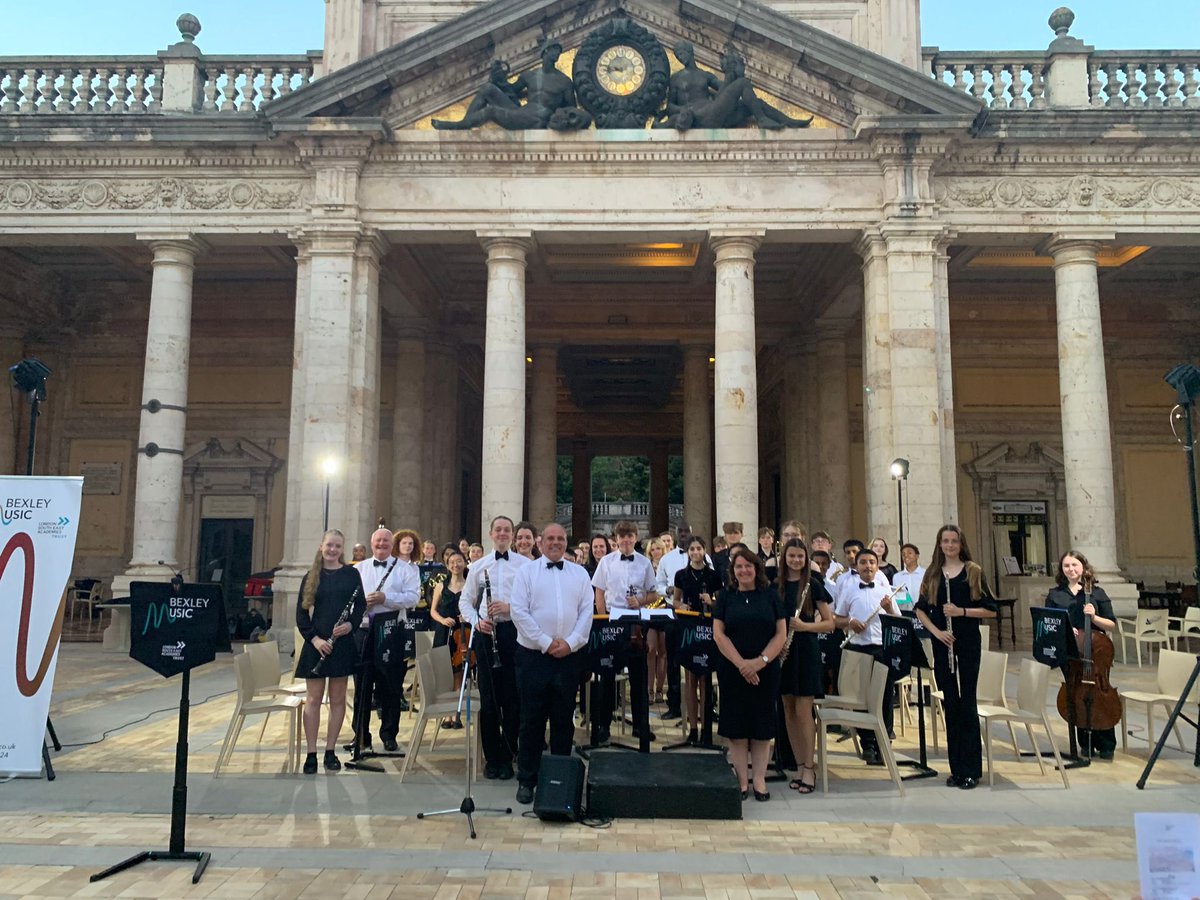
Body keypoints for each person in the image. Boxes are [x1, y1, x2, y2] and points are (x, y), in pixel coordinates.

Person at [509, 523, 594, 805]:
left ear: (565, 542)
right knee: (531, 721)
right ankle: (527, 780)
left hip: (568, 658)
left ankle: (559, 782)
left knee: (563, 720)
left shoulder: (580, 574)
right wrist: (546, 642)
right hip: (533, 657)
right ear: (540, 543)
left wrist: (570, 643)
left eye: (560, 539)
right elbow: (519, 612)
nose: (556, 543)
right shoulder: (526, 572)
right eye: (551, 539)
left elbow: (586, 612)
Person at [914, 525, 997, 789]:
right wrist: (937, 632)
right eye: (945, 541)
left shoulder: (973, 571)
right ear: (939, 545)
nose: (949, 545)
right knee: (951, 705)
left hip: (968, 643)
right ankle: (956, 769)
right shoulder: (933, 574)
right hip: (943, 644)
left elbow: (990, 610)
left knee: (967, 705)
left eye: (954, 541)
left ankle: (972, 769)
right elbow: (920, 610)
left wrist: (961, 611)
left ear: (961, 544)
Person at [458, 515, 532, 780]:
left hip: (514, 633)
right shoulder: (479, 566)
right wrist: (477, 621)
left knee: (513, 698)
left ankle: (508, 753)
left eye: (507, 530)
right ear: (491, 534)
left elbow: (533, 602)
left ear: (512, 535)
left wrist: (509, 608)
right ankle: (491, 758)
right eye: (498, 529)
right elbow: (465, 602)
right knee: (488, 700)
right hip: (486, 633)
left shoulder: (526, 565)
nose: (503, 533)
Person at [713, 547, 787, 800]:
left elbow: (781, 633)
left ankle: (759, 780)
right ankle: (742, 780)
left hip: (765, 670)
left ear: (757, 569)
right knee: (737, 727)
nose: (743, 571)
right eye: (738, 567)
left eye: (748, 566)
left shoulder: (771, 596)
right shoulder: (725, 596)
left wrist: (760, 662)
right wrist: (741, 664)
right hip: (732, 670)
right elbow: (718, 634)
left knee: (761, 726)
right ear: (733, 572)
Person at [294, 529, 364, 774]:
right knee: (313, 700)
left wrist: (351, 625)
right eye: (329, 545)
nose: (332, 550)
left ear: (342, 549)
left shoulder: (351, 574)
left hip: (341, 644)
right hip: (317, 643)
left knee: (337, 700)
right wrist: (314, 640)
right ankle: (311, 753)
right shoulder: (310, 576)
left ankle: (330, 751)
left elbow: (360, 606)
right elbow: (301, 615)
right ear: (321, 547)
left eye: (337, 546)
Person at [1045, 549, 1118, 759]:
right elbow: (1050, 622)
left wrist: (1094, 618)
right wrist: (1066, 629)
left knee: (1099, 695)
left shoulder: (1097, 593)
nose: (1071, 569)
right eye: (1066, 566)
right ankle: (1083, 743)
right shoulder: (1055, 595)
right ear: (1062, 569)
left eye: (1075, 565)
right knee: (1077, 695)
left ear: (1084, 568)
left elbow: (1111, 624)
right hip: (1070, 652)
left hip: (1096, 653)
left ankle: (1106, 743)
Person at [352, 526, 419, 752]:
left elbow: (412, 598)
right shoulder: (359, 569)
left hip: (391, 631)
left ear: (392, 545)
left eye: (386, 542)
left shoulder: (405, 570)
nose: (381, 545)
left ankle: (389, 734)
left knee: (391, 685)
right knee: (361, 685)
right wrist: (363, 604)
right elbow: (349, 602)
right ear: (372, 544)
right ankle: (360, 735)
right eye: (378, 541)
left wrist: (385, 598)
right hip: (363, 631)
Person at [592, 520, 659, 743]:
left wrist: (639, 599)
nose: (626, 540)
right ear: (616, 539)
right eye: (621, 537)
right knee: (607, 675)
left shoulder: (644, 563)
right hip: (612, 621)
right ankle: (603, 725)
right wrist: (603, 621)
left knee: (638, 676)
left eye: (629, 536)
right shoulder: (606, 562)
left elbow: (653, 594)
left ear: (636, 538)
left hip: (636, 623)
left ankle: (640, 725)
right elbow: (599, 593)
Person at [832, 548, 900, 766]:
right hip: (858, 649)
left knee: (884, 697)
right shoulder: (849, 590)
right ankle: (867, 743)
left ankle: (884, 742)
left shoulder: (885, 590)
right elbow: (837, 619)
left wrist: (889, 608)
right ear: (857, 566)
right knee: (860, 699)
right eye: (863, 562)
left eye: (872, 562)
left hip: (882, 649)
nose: (868, 566)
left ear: (877, 565)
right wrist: (850, 622)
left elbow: (897, 620)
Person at [777, 539, 834, 794]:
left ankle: (810, 768)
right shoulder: (775, 586)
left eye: (800, 556)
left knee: (803, 711)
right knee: (788, 709)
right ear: (784, 557)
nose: (796, 560)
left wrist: (805, 627)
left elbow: (830, 624)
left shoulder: (813, 585)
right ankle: (799, 765)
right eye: (792, 556)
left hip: (806, 650)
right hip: (783, 650)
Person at [672, 536, 722, 743]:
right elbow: (675, 599)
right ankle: (692, 728)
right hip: (689, 628)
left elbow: (721, 602)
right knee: (691, 679)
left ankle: (706, 729)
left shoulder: (713, 575)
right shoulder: (681, 575)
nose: (695, 552)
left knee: (706, 679)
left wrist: (712, 602)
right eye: (692, 549)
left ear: (704, 551)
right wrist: (680, 606)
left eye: (699, 548)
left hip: (708, 627)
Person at [656, 522, 709, 720]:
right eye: (681, 532)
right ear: (676, 534)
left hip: (700, 616)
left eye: (688, 531)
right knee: (673, 659)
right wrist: (667, 590)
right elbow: (657, 583)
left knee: (702, 659)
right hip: (675, 613)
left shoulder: (706, 558)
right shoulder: (667, 559)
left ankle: (704, 707)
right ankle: (675, 705)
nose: (685, 534)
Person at [430, 548, 468, 728]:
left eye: (459, 561)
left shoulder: (470, 585)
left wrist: (466, 616)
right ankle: (447, 714)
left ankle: (457, 711)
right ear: (447, 565)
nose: (455, 565)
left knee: (459, 673)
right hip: (444, 632)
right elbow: (433, 611)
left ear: (465, 563)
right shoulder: (440, 585)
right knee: (445, 674)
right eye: (452, 562)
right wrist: (443, 620)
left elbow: (475, 608)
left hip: (462, 633)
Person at [643, 536, 668, 703]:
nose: (655, 551)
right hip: (649, 612)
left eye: (658, 548)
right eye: (652, 549)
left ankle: (660, 689)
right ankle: (649, 690)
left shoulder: (667, 565)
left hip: (666, 610)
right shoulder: (646, 567)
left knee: (663, 652)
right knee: (651, 649)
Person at [890, 543, 924, 610]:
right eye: (903, 554)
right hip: (905, 613)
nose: (906, 556)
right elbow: (897, 599)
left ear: (917, 556)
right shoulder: (897, 577)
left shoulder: (926, 574)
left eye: (909, 553)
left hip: (923, 612)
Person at [712, 521, 743, 586]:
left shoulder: (750, 556)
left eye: (736, 533)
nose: (732, 535)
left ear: (741, 535)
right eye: (729, 533)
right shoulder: (716, 557)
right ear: (725, 536)